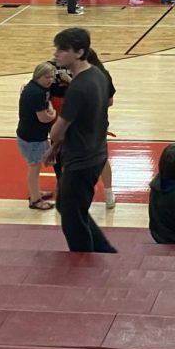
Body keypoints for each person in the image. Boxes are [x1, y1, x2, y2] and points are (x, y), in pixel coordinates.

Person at [44, 28, 116, 253]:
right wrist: (56, 149)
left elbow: (58, 129)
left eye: (63, 50)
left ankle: (85, 261)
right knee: (68, 207)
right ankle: (104, 250)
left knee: (72, 221)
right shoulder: (98, 75)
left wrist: (53, 139)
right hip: (94, 152)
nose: (56, 54)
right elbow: (80, 122)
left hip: (81, 160)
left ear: (79, 52)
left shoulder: (78, 87)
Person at [16, 61, 57, 210]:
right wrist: (54, 115)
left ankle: (36, 193)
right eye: (47, 77)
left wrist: (50, 111)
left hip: (35, 135)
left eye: (52, 77)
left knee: (36, 166)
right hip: (31, 138)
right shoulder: (35, 93)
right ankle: (35, 200)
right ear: (38, 76)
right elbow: (44, 117)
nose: (50, 80)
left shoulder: (41, 89)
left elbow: (47, 106)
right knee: (34, 168)